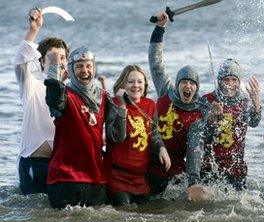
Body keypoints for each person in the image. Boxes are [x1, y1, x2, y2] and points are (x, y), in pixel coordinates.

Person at [45, 47, 127, 209]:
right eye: (79, 66)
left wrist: (122, 107)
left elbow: (117, 136)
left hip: (96, 178)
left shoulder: (103, 97)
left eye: (88, 66)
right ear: (71, 70)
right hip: (64, 178)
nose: (84, 70)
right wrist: (54, 66)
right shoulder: (65, 94)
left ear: (94, 68)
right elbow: (53, 100)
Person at [147, 11, 206, 201]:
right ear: (178, 83)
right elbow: (156, 63)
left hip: (176, 175)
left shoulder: (200, 109)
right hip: (151, 166)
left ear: (196, 88)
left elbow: (195, 149)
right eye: (184, 82)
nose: (187, 86)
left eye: (192, 83)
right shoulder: (166, 92)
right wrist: (160, 29)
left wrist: (194, 181)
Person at [12, 8, 69, 195]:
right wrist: (34, 30)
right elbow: (20, 60)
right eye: (52, 57)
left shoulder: (72, 90)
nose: (58, 62)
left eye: (62, 58)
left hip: (62, 165)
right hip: (34, 162)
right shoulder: (32, 83)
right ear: (42, 62)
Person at [104, 65, 171, 206]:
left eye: (140, 82)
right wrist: (122, 106)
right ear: (122, 85)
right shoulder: (113, 104)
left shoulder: (150, 105)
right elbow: (117, 136)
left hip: (140, 179)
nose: (136, 86)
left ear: (145, 85)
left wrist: (161, 147)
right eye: (131, 82)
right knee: (126, 214)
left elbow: (154, 133)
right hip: (117, 177)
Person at [192, 59, 262, 191]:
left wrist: (256, 104)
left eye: (234, 80)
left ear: (239, 82)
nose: (230, 84)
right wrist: (212, 117)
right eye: (226, 80)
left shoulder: (244, 101)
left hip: (236, 168)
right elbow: (201, 133)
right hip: (210, 167)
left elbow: (254, 122)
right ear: (219, 81)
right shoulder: (207, 100)